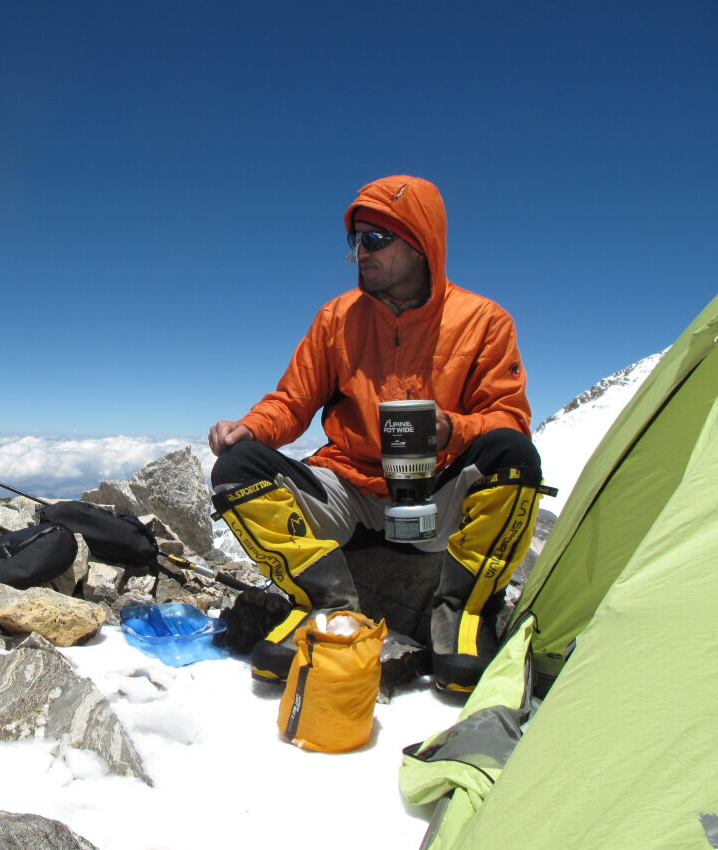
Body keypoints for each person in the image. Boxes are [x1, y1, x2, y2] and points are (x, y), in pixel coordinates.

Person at [208, 175, 548, 693]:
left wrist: (453, 429)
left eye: (375, 240)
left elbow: (509, 417)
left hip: (436, 491)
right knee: (237, 469)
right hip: (351, 488)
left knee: (514, 455)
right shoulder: (337, 318)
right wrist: (249, 427)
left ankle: (462, 612)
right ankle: (324, 605)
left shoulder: (483, 321)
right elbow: (293, 401)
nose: (360, 254)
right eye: (356, 241)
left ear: (420, 242)